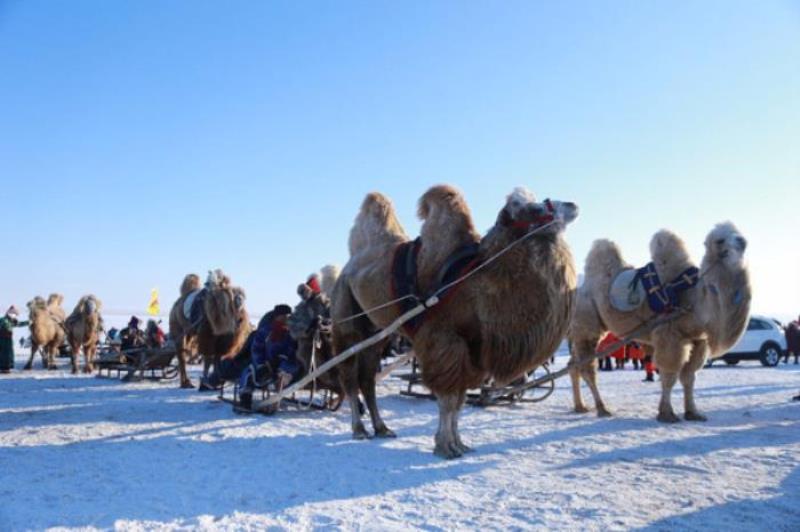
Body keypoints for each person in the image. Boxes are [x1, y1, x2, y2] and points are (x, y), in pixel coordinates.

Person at [0, 306, 29, 373]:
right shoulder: (3, 320)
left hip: (8, 339)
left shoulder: (11, 320)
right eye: (14, 314)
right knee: (4, 353)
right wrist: (10, 324)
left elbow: (19, 324)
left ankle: (6, 368)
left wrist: (28, 322)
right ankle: (3, 368)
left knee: (9, 353)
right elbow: (5, 326)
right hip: (2, 339)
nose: (15, 316)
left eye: (15, 315)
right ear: (10, 313)